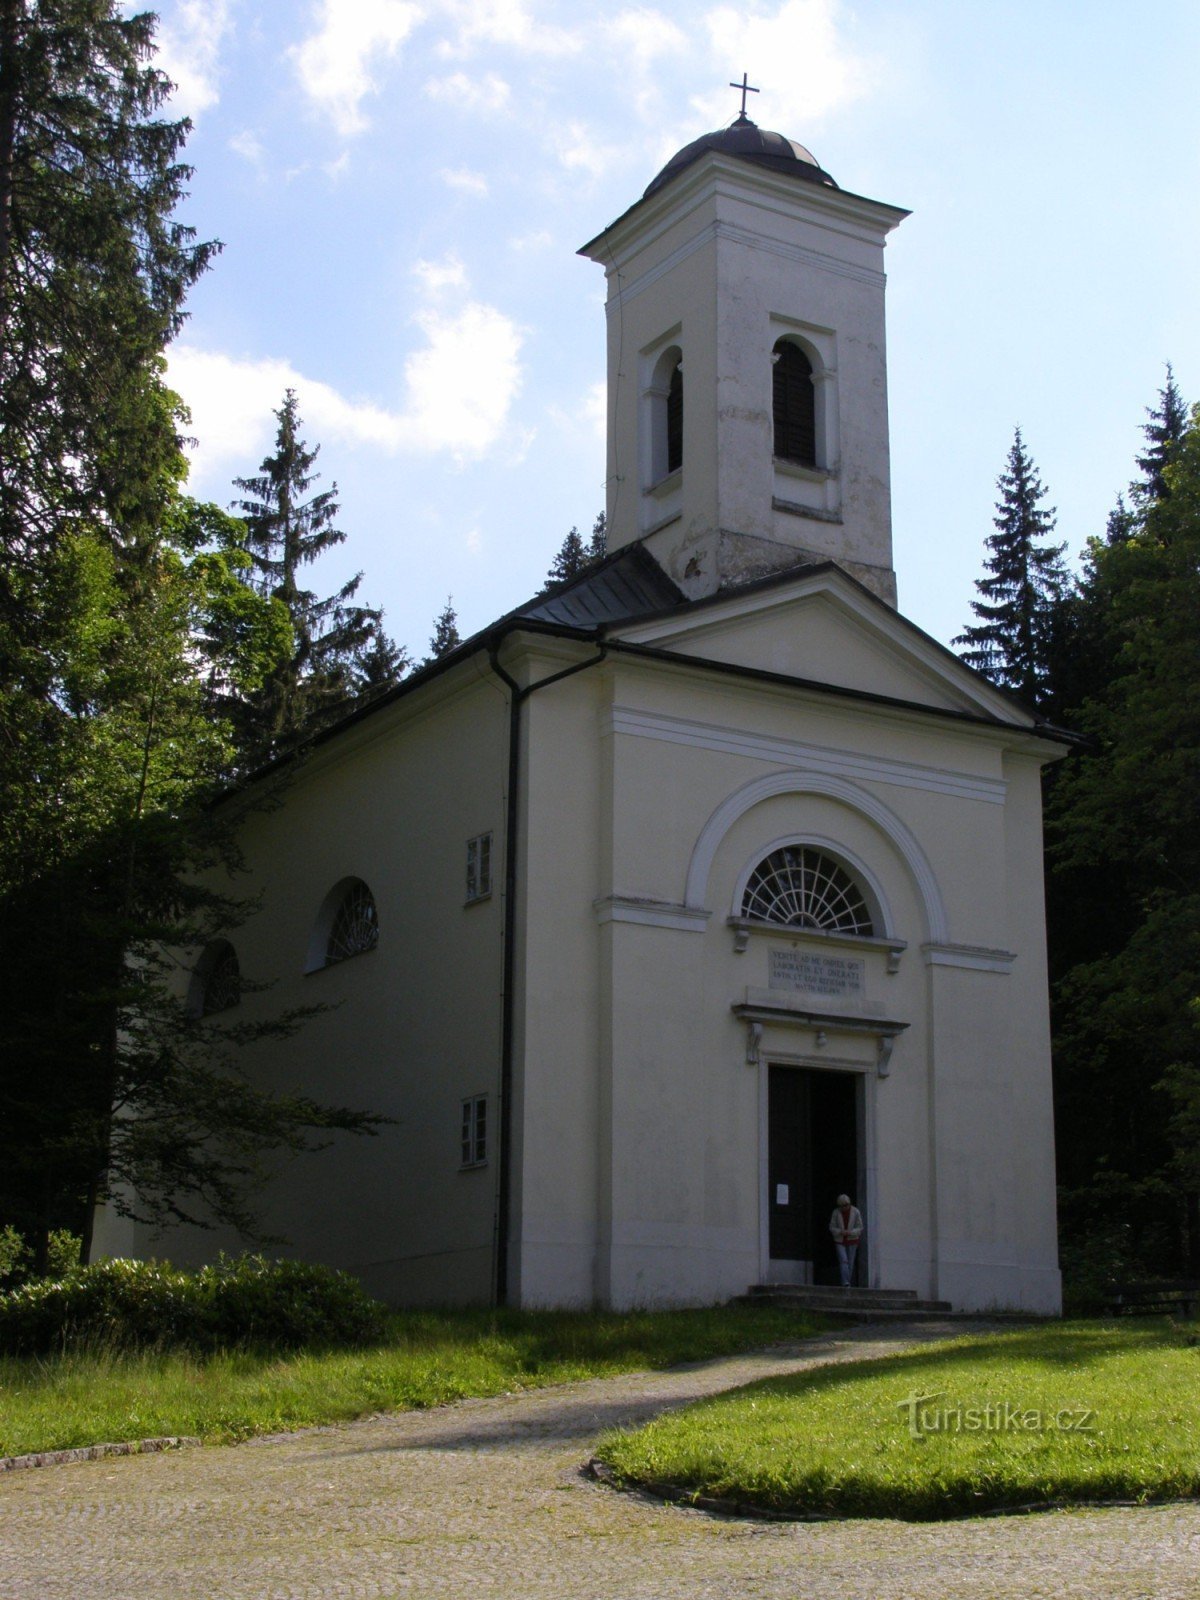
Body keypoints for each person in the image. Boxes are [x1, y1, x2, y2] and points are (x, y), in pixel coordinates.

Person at [829, 1193, 863, 1287]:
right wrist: (840, 1231)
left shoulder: (856, 1212)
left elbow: (860, 1227)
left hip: (852, 1240)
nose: (844, 1207)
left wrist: (850, 1232)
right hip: (840, 1240)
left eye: (846, 1205)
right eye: (842, 1206)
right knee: (844, 1261)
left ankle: (848, 1282)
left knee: (850, 1262)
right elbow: (832, 1227)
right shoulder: (836, 1213)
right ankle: (845, 1282)